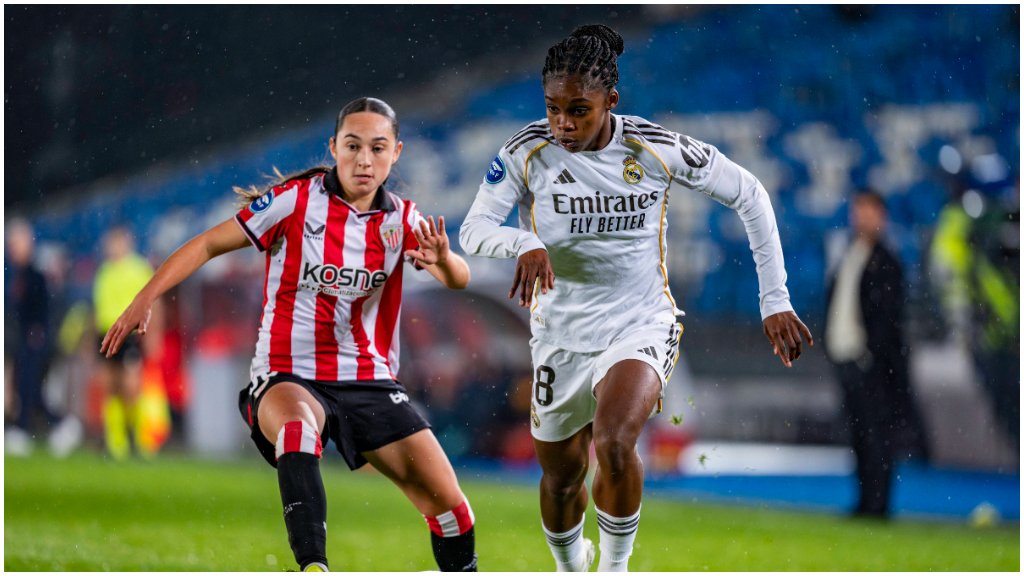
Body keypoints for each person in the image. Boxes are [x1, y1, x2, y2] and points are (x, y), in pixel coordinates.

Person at [459, 24, 811, 572]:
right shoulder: (527, 151)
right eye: (553, 109)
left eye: (579, 110)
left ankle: (615, 567)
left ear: (611, 101)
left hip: (640, 323)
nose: (563, 123)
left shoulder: (654, 147)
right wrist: (522, 242)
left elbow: (750, 193)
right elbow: (473, 230)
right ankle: (572, 565)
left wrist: (775, 299)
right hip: (559, 335)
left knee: (615, 442)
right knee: (561, 477)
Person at [101, 97, 478, 572]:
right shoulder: (296, 201)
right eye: (353, 146)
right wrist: (146, 295)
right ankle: (313, 565)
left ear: (396, 153)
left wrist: (444, 259)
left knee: (452, 509)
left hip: (368, 378)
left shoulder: (402, 219)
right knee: (298, 430)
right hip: (288, 372)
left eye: (377, 148)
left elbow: (458, 277)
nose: (364, 159)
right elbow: (209, 242)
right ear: (333, 147)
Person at [823, 190, 925, 519]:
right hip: (848, 358)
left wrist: (870, 354)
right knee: (859, 434)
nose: (862, 218)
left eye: (869, 212)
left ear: (882, 216)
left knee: (877, 435)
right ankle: (865, 500)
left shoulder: (887, 261)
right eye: (858, 211)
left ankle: (878, 504)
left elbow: (888, 318)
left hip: (873, 363)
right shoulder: (848, 253)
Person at [93, 226, 155, 459]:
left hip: (130, 335)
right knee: (110, 387)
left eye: (117, 243)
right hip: (106, 333)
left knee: (131, 387)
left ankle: (136, 437)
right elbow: (98, 308)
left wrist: (151, 335)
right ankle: (114, 441)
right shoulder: (104, 272)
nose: (114, 248)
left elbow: (153, 302)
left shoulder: (139, 268)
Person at [5, 218, 57, 453]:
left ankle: (26, 429)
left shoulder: (35, 274)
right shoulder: (17, 274)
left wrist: (38, 332)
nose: (12, 249)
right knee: (28, 387)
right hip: (21, 340)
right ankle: (47, 426)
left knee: (30, 386)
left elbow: (43, 308)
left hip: (34, 340)